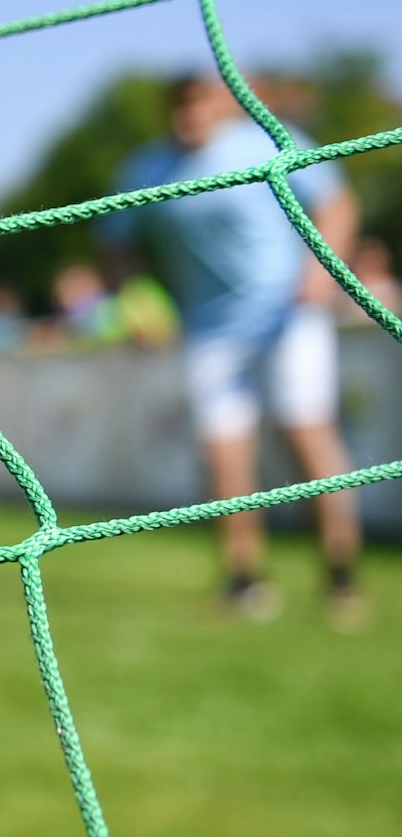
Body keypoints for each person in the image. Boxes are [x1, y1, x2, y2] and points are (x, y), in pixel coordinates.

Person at [102, 72, 363, 625]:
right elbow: (116, 244)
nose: (190, 114)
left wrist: (322, 271)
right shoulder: (146, 169)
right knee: (223, 449)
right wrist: (134, 301)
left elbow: (338, 204)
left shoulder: (269, 140)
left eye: (201, 103)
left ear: (223, 106)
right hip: (211, 327)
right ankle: (244, 579)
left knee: (305, 431)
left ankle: (341, 573)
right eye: (180, 104)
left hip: (289, 314)